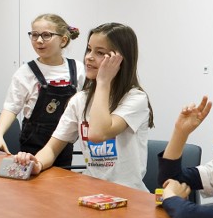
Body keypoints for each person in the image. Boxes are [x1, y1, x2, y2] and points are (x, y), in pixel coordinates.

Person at [14, 23, 154, 191]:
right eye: (89, 49)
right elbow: (52, 148)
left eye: (100, 53)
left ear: (120, 60)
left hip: (128, 193)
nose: (89, 57)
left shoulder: (135, 98)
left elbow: (97, 133)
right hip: (92, 191)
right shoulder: (80, 100)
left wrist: (103, 82)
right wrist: (37, 163)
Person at [0, 13, 81, 166]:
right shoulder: (26, 72)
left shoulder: (78, 69)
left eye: (46, 35)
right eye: (34, 35)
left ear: (63, 40)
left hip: (64, 144)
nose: (39, 41)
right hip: (31, 146)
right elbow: (11, 108)